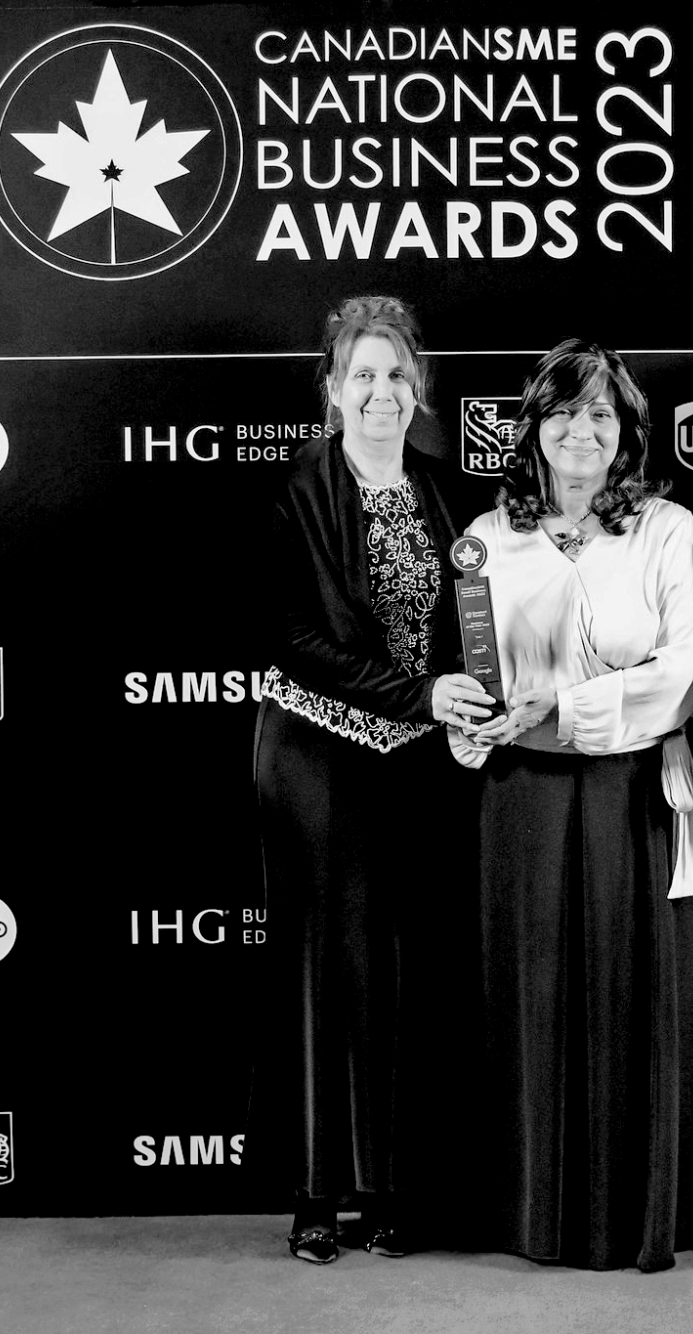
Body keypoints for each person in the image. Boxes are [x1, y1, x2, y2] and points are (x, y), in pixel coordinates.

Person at [450, 339, 693, 1272]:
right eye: (565, 411)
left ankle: (625, 1223)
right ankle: (533, 1218)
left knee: (628, 999)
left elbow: (682, 674)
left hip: (629, 790)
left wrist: (566, 703)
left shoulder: (667, 529)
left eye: (603, 413)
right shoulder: (486, 536)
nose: (582, 429)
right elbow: (471, 675)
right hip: (518, 794)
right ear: (535, 428)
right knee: (532, 999)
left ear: (627, 431)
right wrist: (478, 721)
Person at [252, 295, 496, 1265]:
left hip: (417, 761)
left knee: (406, 973)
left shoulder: (445, 490)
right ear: (330, 390)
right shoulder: (296, 490)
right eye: (362, 374)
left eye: (397, 374)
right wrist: (418, 693)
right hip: (315, 755)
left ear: (419, 387)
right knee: (324, 972)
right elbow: (293, 641)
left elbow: (473, 624)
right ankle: (316, 1195)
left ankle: (388, 1187)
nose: (381, 392)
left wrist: (469, 701)